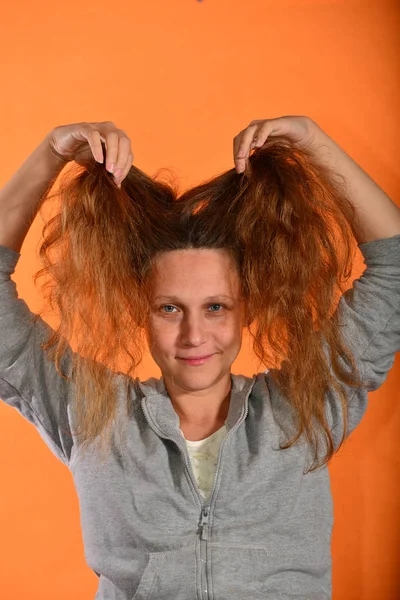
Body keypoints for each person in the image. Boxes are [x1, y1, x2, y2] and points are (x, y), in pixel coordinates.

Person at [0, 117, 399, 599]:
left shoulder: (304, 406)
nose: (194, 335)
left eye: (216, 307)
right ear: (140, 312)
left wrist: (311, 142)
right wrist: (52, 152)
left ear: (244, 308)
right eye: (169, 308)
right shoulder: (92, 413)